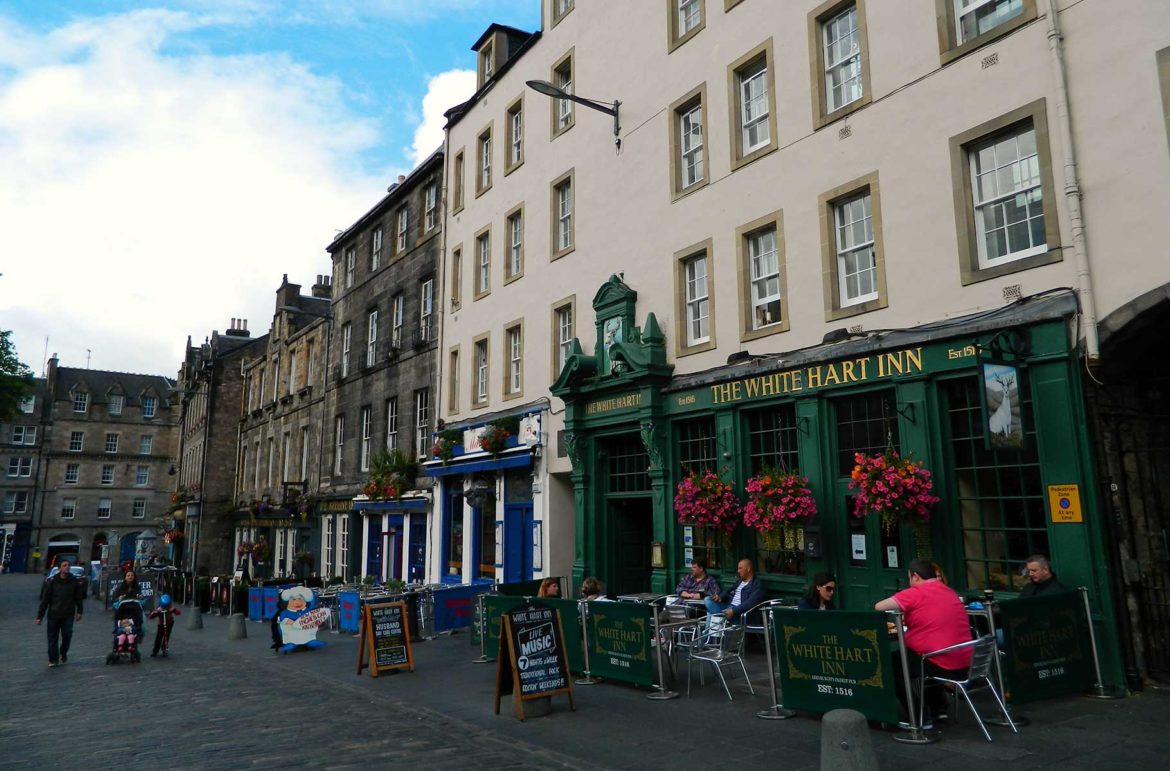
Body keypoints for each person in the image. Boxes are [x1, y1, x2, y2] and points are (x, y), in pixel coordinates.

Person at [875, 559, 973, 727]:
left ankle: (919, 717)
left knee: (889, 665)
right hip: (965, 661)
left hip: (941, 662)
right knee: (918, 656)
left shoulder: (916, 592)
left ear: (915, 576)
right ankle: (937, 708)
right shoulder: (949, 591)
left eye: (909, 578)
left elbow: (879, 606)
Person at [35, 558, 85, 667]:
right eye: (64, 565)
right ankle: (53, 659)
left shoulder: (74, 581)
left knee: (67, 636)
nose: (67, 567)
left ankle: (63, 652)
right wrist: (40, 616)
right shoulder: (52, 582)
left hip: (68, 614)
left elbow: (78, 598)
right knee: (52, 638)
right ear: (59, 568)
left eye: (68, 565)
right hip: (54, 613)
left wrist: (80, 611)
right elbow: (45, 600)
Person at [705, 559, 766, 623]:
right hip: (728, 606)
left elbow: (750, 603)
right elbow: (728, 591)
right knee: (708, 599)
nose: (738, 571)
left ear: (748, 569)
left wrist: (733, 610)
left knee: (711, 614)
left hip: (738, 612)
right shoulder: (739, 581)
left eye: (740, 568)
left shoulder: (757, 585)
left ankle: (721, 620)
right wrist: (720, 597)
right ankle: (723, 618)